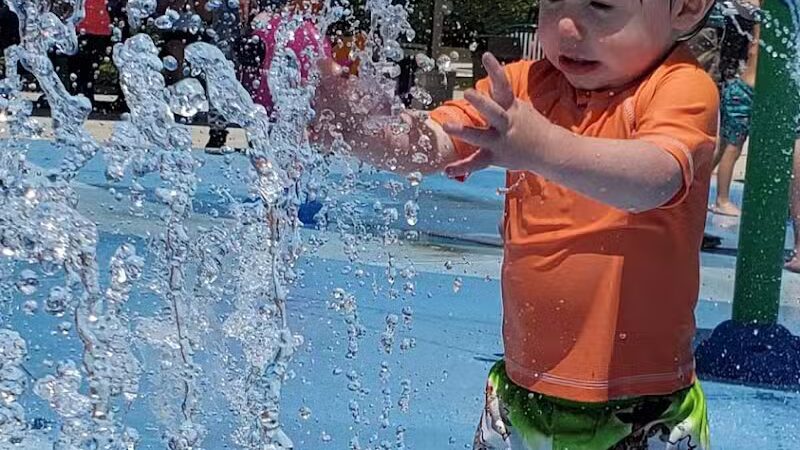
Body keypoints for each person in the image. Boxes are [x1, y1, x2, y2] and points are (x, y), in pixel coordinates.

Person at [314, 0, 719, 448]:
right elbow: (431, 143)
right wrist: (357, 126)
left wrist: (543, 149)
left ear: (685, 7)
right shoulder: (522, 89)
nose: (566, 27)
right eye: (552, 3)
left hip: (645, 410)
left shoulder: (680, 87)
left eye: (600, 5)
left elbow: (653, 179)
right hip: (521, 397)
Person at [709, 0, 761, 216]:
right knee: (732, 148)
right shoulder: (765, 31)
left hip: (742, 91)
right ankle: (721, 199)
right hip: (744, 94)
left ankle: (694, 183)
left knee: (723, 146)